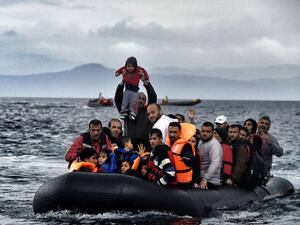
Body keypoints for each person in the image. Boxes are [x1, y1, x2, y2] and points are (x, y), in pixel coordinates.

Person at [115, 74, 157, 150]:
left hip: (146, 145)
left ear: (145, 101)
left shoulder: (148, 111)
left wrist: (145, 82)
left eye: (143, 99)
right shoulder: (127, 111)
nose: (140, 100)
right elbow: (118, 99)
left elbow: (153, 97)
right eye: (138, 98)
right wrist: (122, 84)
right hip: (130, 145)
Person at [165, 122, 195, 189]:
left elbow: (190, 157)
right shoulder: (166, 144)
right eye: (170, 132)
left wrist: (187, 159)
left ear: (180, 133)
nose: (172, 135)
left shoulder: (186, 146)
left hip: (183, 183)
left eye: (175, 132)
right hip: (169, 180)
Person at [198, 122, 223, 190]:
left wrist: (205, 179)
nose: (205, 133)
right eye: (203, 131)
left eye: (208, 131)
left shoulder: (214, 145)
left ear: (212, 132)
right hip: (200, 176)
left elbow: (215, 163)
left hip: (211, 181)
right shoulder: (200, 142)